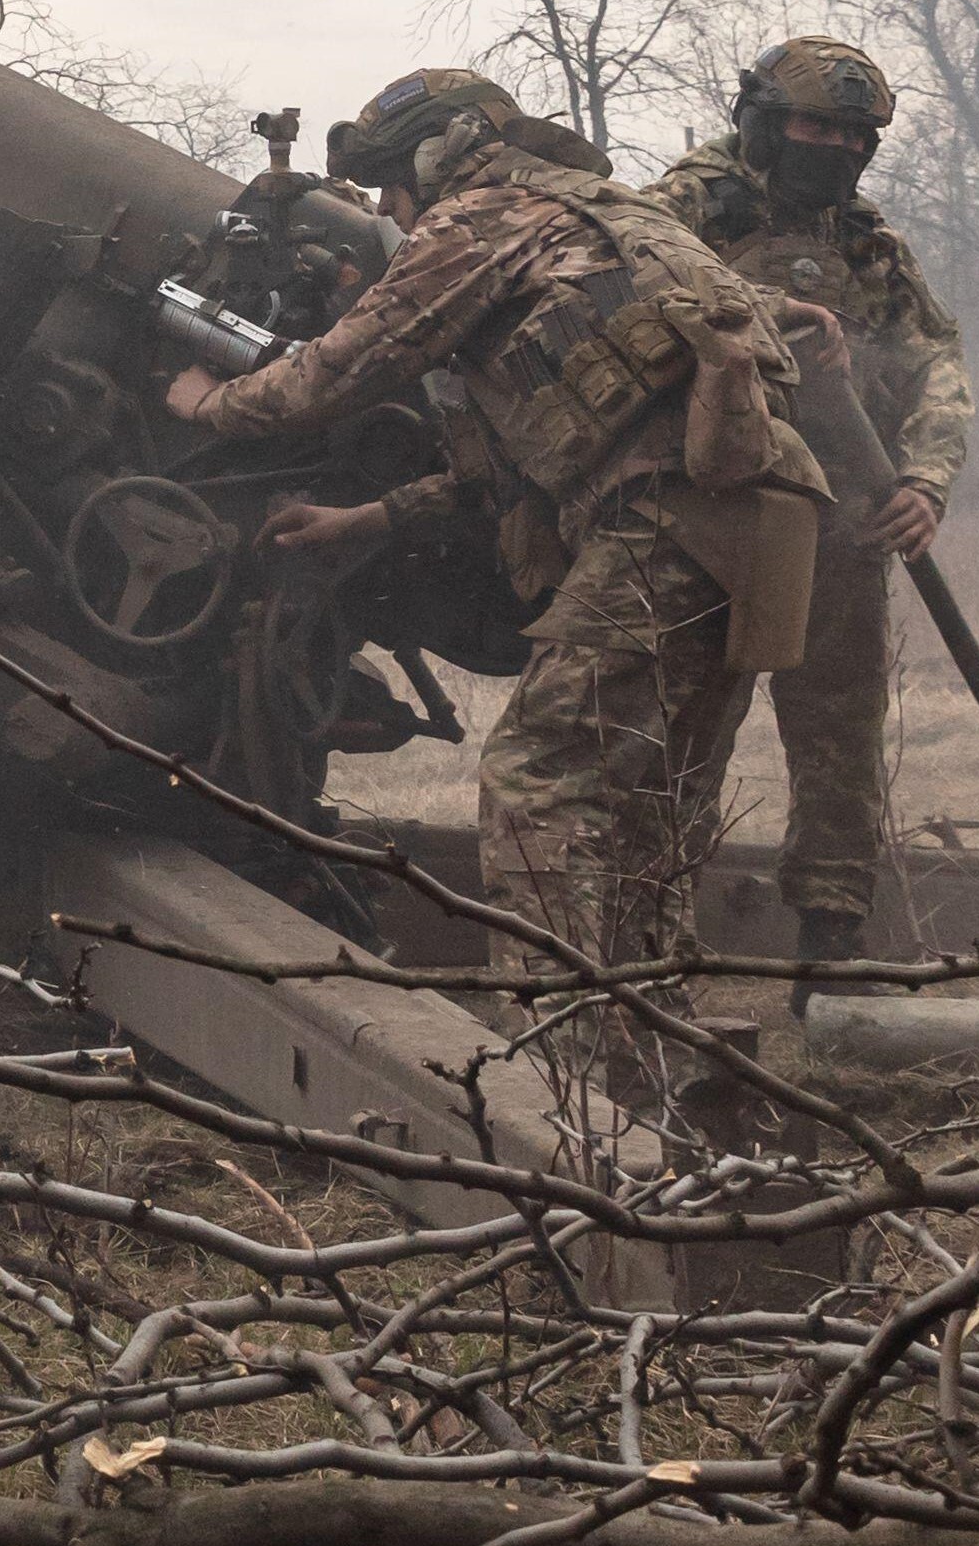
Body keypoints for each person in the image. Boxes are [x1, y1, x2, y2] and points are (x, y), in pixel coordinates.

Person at [164, 68, 824, 1099]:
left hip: (665, 516)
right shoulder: (600, 217)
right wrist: (371, 518)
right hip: (762, 516)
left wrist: (212, 401)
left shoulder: (483, 216)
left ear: (437, 153)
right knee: (649, 802)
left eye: (387, 187)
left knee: (538, 784)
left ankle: (564, 1093)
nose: (387, 213)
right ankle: (650, 1067)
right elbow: (514, 455)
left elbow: (334, 373)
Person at [648, 39, 974, 987]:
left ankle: (831, 949)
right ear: (759, 119)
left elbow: (936, 363)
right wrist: (765, 313)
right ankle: (655, 935)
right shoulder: (683, 210)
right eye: (813, 124)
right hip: (704, 515)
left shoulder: (867, 244)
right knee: (684, 730)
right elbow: (640, 297)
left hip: (843, 515)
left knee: (840, 733)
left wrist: (924, 480)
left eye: (852, 133)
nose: (833, 146)